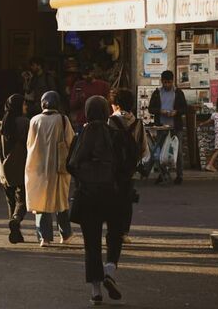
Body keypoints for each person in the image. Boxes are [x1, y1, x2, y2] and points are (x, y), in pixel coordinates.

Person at [67, 96, 127, 306]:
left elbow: (70, 164)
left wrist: (84, 179)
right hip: (111, 194)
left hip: (87, 196)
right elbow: (123, 165)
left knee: (91, 245)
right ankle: (110, 270)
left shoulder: (81, 136)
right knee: (115, 234)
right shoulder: (114, 135)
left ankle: (96, 291)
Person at [25, 91, 75, 247]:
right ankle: (65, 234)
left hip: (39, 166)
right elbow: (71, 141)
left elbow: (30, 144)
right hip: (59, 167)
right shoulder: (63, 119)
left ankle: (44, 237)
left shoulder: (34, 120)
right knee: (61, 201)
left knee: (41, 200)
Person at [108, 88, 147, 244]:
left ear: (116, 105)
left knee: (112, 200)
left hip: (113, 168)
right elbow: (144, 149)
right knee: (126, 200)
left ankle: (113, 231)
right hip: (130, 168)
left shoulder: (111, 121)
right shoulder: (138, 123)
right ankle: (124, 232)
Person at [0, 94, 29, 244]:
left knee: (10, 201)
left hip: (4, 171)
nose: (26, 107)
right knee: (22, 200)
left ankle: (15, 231)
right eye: (24, 104)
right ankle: (16, 219)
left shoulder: (1, 124)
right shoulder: (25, 123)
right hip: (21, 168)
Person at [147, 70, 188, 185]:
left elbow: (185, 108)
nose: (167, 85)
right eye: (165, 82)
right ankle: (163, 173)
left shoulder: (178, 93)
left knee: (178, 152)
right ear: (161, 81)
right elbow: (151, 108)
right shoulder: (157, 93)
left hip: (175, 126)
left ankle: (179, 175)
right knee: (161, 152)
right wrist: (160, 111)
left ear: (172, 81)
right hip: (161, 126)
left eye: (169, 82)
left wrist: (176, 112)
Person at [70, 64, 110, 133]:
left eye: (89, 73)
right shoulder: (78, 85)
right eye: (85, 74)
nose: (87, 76)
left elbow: (108, 105)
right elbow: (72, 104)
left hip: (100, 124)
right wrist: (79, 98)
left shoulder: (103, 85)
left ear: (93, 72)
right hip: (82, 122)